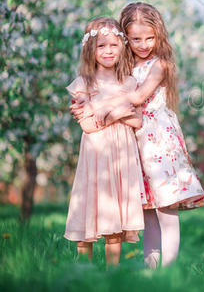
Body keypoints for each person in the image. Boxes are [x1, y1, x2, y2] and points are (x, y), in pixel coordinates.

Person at [72, 3, 204, 268]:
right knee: (147, 213)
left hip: (158, 140)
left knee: (166, 209)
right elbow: (102, 85)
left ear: (159, 36)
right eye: (135, 39)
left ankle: (167, 272)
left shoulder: (160, 64)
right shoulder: (126, 65)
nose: (143, 44)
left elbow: (136, 96)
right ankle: (150, 271)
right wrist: (84, 102)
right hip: (132, 143)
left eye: (149, 38)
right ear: (125, 39)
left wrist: (103, 108)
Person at [64, 17, 146, 266]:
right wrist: (120, 112)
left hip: (121, 155)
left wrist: (109, 112)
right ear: (90, 49)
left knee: (115, 217)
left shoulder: (129, 82)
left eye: (113, 45)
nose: (108, 51)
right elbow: (89, 126)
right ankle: (84, 272)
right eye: (101, 46)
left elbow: (138, 121)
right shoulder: (83, 85)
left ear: (122, 47)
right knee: (88, 203)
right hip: (96, 155)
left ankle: (114, 274)